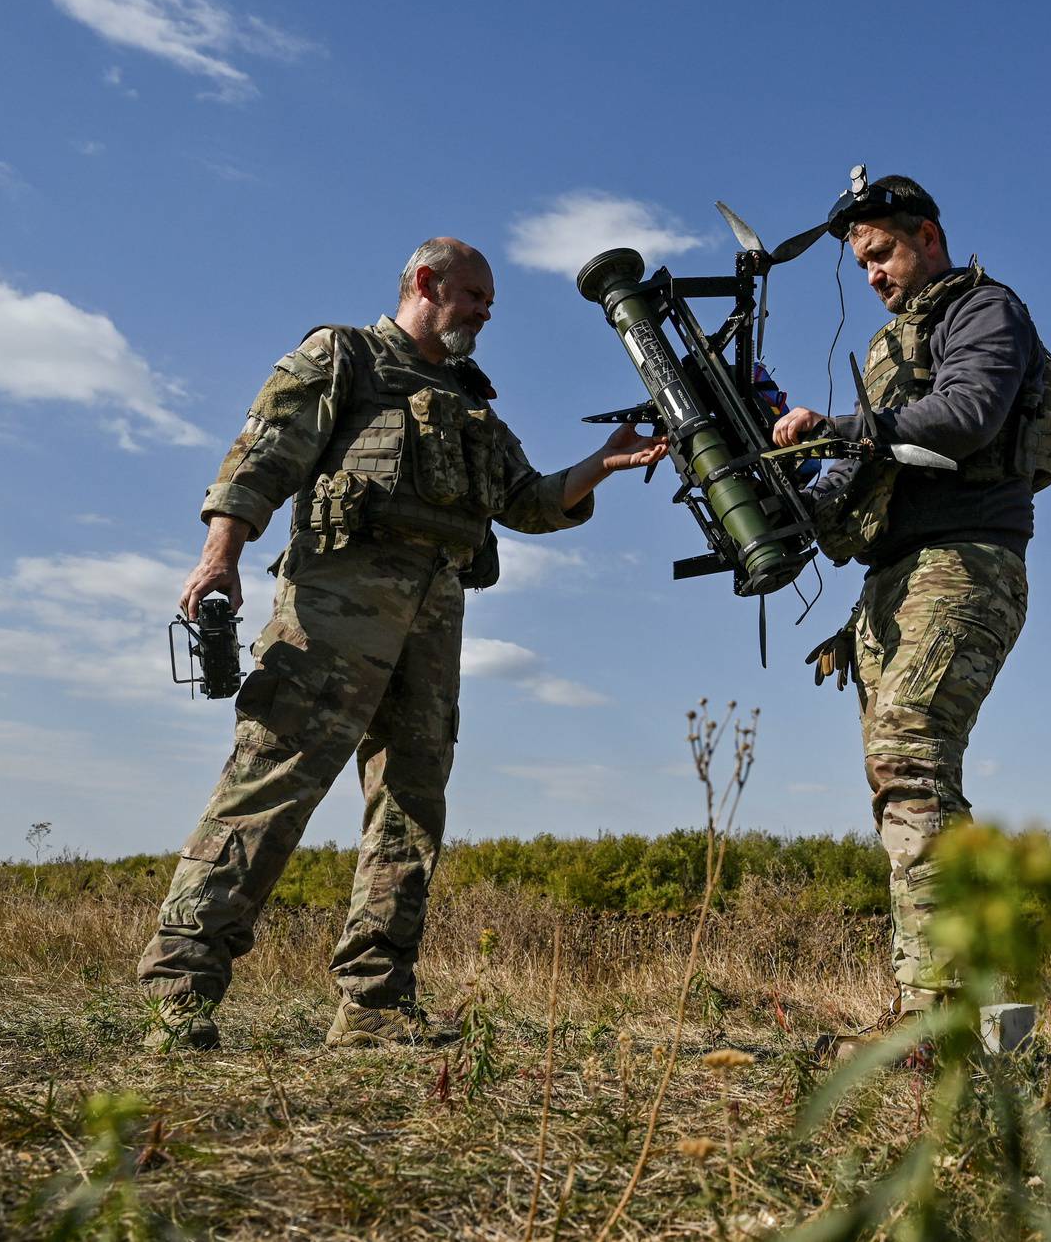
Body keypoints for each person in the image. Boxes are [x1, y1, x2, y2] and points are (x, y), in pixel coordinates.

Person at [138, 238, 664, 1050]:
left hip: (432, 628)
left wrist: (601, 464)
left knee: (411, 811)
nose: (487, 312)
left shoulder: (473, 403)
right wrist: (221, 554)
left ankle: (375, 1004)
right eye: (475, 295)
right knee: (270, 787)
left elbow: (525, 500)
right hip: (332, 617)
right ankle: (180, 990)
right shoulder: (345, 355)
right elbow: (264, 453)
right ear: (427, 282)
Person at [772, 174, 1051, 1035]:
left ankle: (937, 1014)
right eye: (860, 263)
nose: (871, 275)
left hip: (966, 560)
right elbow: (855, 474)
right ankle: (961, 1003)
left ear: (927, 236)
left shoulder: (983, 310)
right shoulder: (887, 349)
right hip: (892, 579)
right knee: (904, 782)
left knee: (910, 759)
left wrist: (845, 427)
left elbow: (970, 414)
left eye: (882, 253)